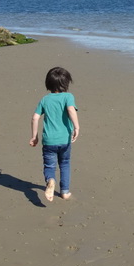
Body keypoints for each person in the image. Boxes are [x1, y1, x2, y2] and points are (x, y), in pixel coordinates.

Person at [28, 66, 80, 203]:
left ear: (48, 84)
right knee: (65, 163)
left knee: (49, 166)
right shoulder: (68, 97)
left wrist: (34, 136)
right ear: (66, 83)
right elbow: (70, 110)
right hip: (64, 140)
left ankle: (50, 180)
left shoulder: (45, 100)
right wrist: (77, 126)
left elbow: (35, 117)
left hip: (49, 141)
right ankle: (65, 192)